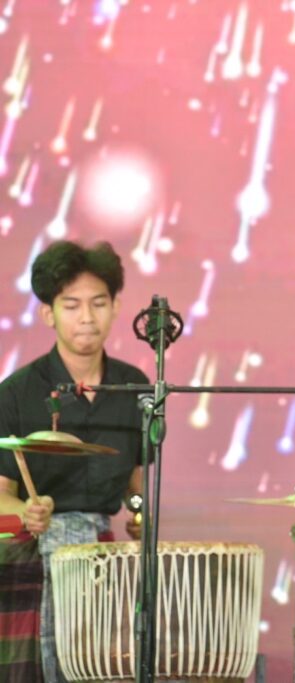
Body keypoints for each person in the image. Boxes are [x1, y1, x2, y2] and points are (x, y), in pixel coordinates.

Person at [0, 241, 147, 683]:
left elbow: (136, 486)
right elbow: (1, 497)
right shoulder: (17, 391)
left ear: (115, 307)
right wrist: (25, 512)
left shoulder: (135, 387)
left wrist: (140, 514)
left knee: (99, 669)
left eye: (98, 303)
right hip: (29, 554)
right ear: (48, 313)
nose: (87, 317)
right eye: (72, 305)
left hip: (100, 555)